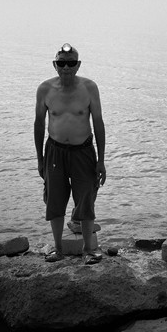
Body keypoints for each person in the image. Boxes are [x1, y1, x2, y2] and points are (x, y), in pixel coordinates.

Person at [34, 43, 106, 264]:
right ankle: (58, 249)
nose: (66, 67)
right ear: (55, 65)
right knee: (55, 199)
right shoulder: (45, 89)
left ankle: (89, 249)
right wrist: (40, 160)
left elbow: (98, 123)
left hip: (83, 151)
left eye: (71, 63)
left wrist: (101, 160)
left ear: (78, 65)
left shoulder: (89, 88)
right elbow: (39, 124)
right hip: (54, 151)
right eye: (62, 63)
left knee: (85, 198)